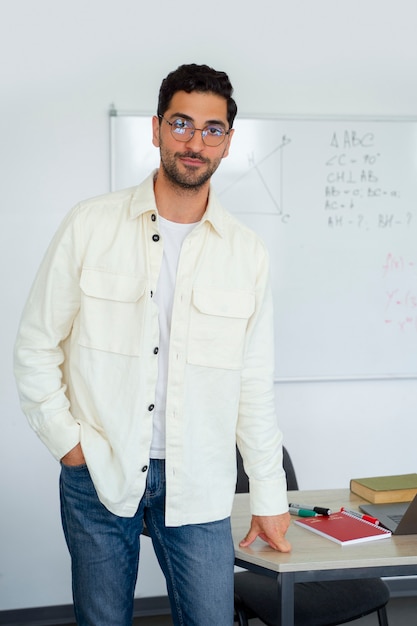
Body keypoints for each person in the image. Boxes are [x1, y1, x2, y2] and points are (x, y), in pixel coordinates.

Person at [14, 63, 291, 626]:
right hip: (100, 469)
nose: (195, 141)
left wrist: (269, 495)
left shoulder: (246, 253)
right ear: (158, 128)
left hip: (201, 480)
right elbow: (35, 346)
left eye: (212, 129)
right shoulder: (91, 225)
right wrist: (70, 446)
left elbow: (252, 385)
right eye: (182, 124)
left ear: (229, 142)